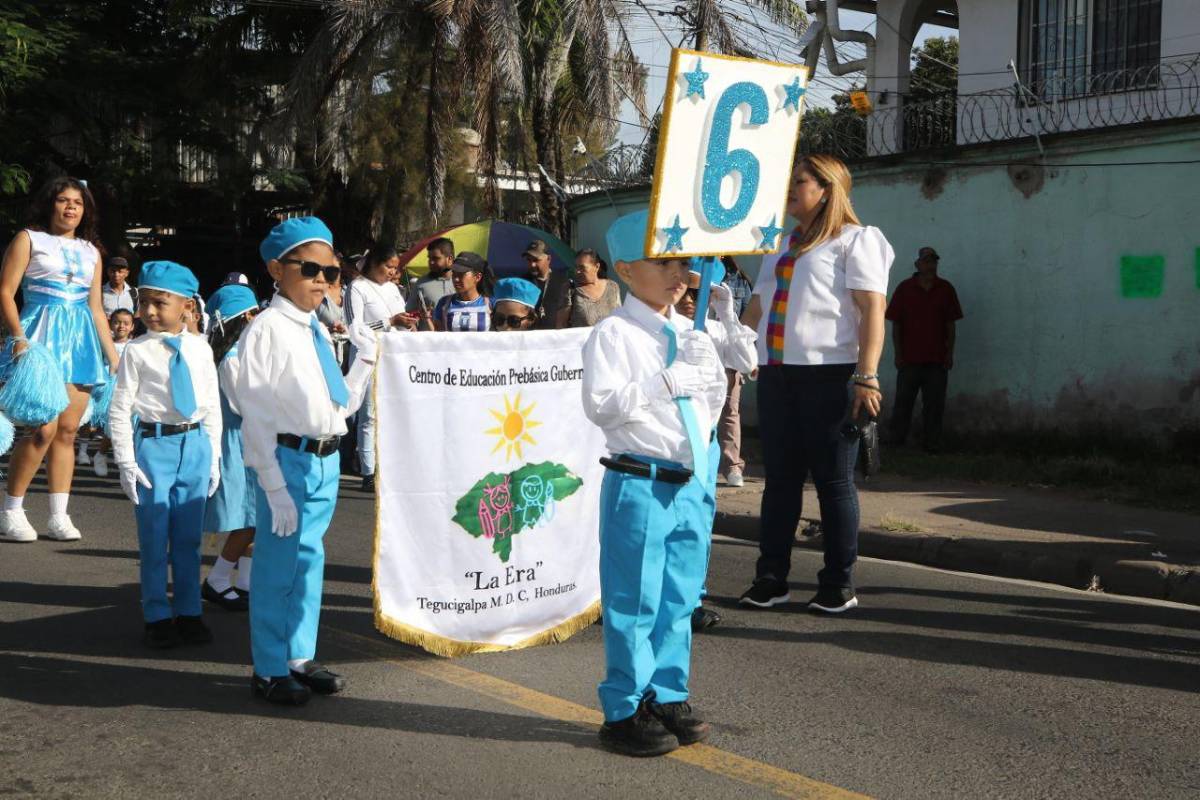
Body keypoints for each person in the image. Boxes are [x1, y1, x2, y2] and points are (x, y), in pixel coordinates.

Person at [580, 209, 755, 757]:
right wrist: (662, 382)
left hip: (690, 482)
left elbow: (746, 364)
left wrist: (724, 320)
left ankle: (668, 691)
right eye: (665, 261)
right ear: (627, 270)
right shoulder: (614, 332)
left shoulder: (690, 330)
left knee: (679, 596)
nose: (679, 273)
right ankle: (624, 707)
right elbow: (601, 407)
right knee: (635, 599)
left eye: (682, 260)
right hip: (640, 478)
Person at [738, 154, 893, 615]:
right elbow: (757, 309)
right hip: (777, 375)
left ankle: (837, 583)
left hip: (831, 376)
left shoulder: (856, 241)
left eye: (799, 181)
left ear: (827, 189)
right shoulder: (780, 243)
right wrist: (735, 347)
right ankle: (771, 578)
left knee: (833, 483)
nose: (789, 188)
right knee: (779, 482)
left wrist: (867, 375)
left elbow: (872, 311)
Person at [235, 217, 377, 705]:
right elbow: (254, 412)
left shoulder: (314, 329)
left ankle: (299, 654)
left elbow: (339, 409)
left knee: (310, 560)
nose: (322, 280)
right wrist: (272, 485)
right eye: (310, 268)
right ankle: (269, 667)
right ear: (277, 269)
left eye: (331, 272)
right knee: (277, 566)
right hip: (288, 458)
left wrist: (364, 363)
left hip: (325, 459)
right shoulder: (268, 330)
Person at [0, 177, 121, 543]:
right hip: (40, 335)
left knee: (69, 430)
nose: (71, 207)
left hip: (80, 341)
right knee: (42, 428)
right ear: (50, 204)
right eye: (64, 201)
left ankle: (57, 514)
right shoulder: (29, 238)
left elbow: (96, 309)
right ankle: (11, 510)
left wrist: (113, 356)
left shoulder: (92, 251)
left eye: (78, 203)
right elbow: (5, 291)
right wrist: (18, 337)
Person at [108, 261, 222, 648]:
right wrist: (126, 460)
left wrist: (215, 456)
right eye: (143, 302)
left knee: (189, 537)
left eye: (160, 302)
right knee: (155, 535)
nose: (149, 311)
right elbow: (120, 408)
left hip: (194, 444)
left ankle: (190, 611)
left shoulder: (201, 348)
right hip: (154, 445)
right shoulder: (138, 352)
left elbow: (211, 404)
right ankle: (157, 614)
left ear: (187, 305)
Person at [201, 283, 261, 613]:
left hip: (251, 440)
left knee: (256, 517)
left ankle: (245, 583)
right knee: (248, 518)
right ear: (240, 319)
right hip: (240, 441)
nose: (257, 318)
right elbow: (245, 405)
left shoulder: (245, 354)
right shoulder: (232, 360)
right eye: (251, 313)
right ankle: (218, 579)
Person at [347, 246, 414, 493]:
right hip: (368, 356)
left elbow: (401, 317)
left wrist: (407, 324)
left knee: (392, 413)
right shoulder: (357, 287)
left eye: (396, 268)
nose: (392, 272)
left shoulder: (394, 289)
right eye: (388, 267)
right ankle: (368, 471)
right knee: (369, 414)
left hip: (394, 357)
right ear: (374, 263)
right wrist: (389, 322)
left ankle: (390, 467)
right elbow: (354, 328)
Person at [885, 246, 963, 452]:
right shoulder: (904, 288)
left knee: (935, 405)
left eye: (934, 261)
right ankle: (896, 443)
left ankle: (932, 444)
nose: (931, 266)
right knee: (903, 403)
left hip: (937, 359)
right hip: (909, 359)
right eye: (927, 261)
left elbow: (951, 325)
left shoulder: (946, 289)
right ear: (918, 265)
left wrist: (949, 353)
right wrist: (898, 354)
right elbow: (896, 324)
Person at [717, 257, 753, 488]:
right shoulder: (689, 273)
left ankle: (732, 467)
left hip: (729, 354)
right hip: (698, 350)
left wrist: (748, 354)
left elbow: (749, 321)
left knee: (730, 410)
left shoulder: (740, 280)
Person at [88, 308, 136, 478]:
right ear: (110, 324)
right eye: (117, 322)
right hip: (111, 388)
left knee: (132, 427)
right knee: (111, 426)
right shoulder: (105, 344)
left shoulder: (135, 345)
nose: (121, 326)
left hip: (132, 389)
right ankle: (100, 454)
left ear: (132, 327)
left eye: (126, 323)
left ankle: (128, 464)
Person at [558, 248, 620, 328]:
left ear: (597, 267)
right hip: (582, 340)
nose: (577, 271)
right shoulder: (570, 289)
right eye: (576, 267)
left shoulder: (612, 287)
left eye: (582, 268)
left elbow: (620, 318)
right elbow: (561, 324)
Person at [433, 252, 493, 332]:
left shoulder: (491, 304)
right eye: (454, 274)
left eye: (461, 274)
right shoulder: (444, 303)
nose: (455, 279)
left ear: (478, 277)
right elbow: (436, 336)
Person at [408, 237, 456, 329]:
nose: (431, 262)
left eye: (436, 258)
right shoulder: (421, 284)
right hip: (428, 341)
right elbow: (409, 316)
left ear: (449, 258)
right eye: (429, 258)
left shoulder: (462, 282)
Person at [523, 239, 569, 330]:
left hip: (554, 339)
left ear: (549, 259)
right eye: (529, 260)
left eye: (536, 260)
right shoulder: (522, 282)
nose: (532, 264)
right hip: (529, 338)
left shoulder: (562, 282)